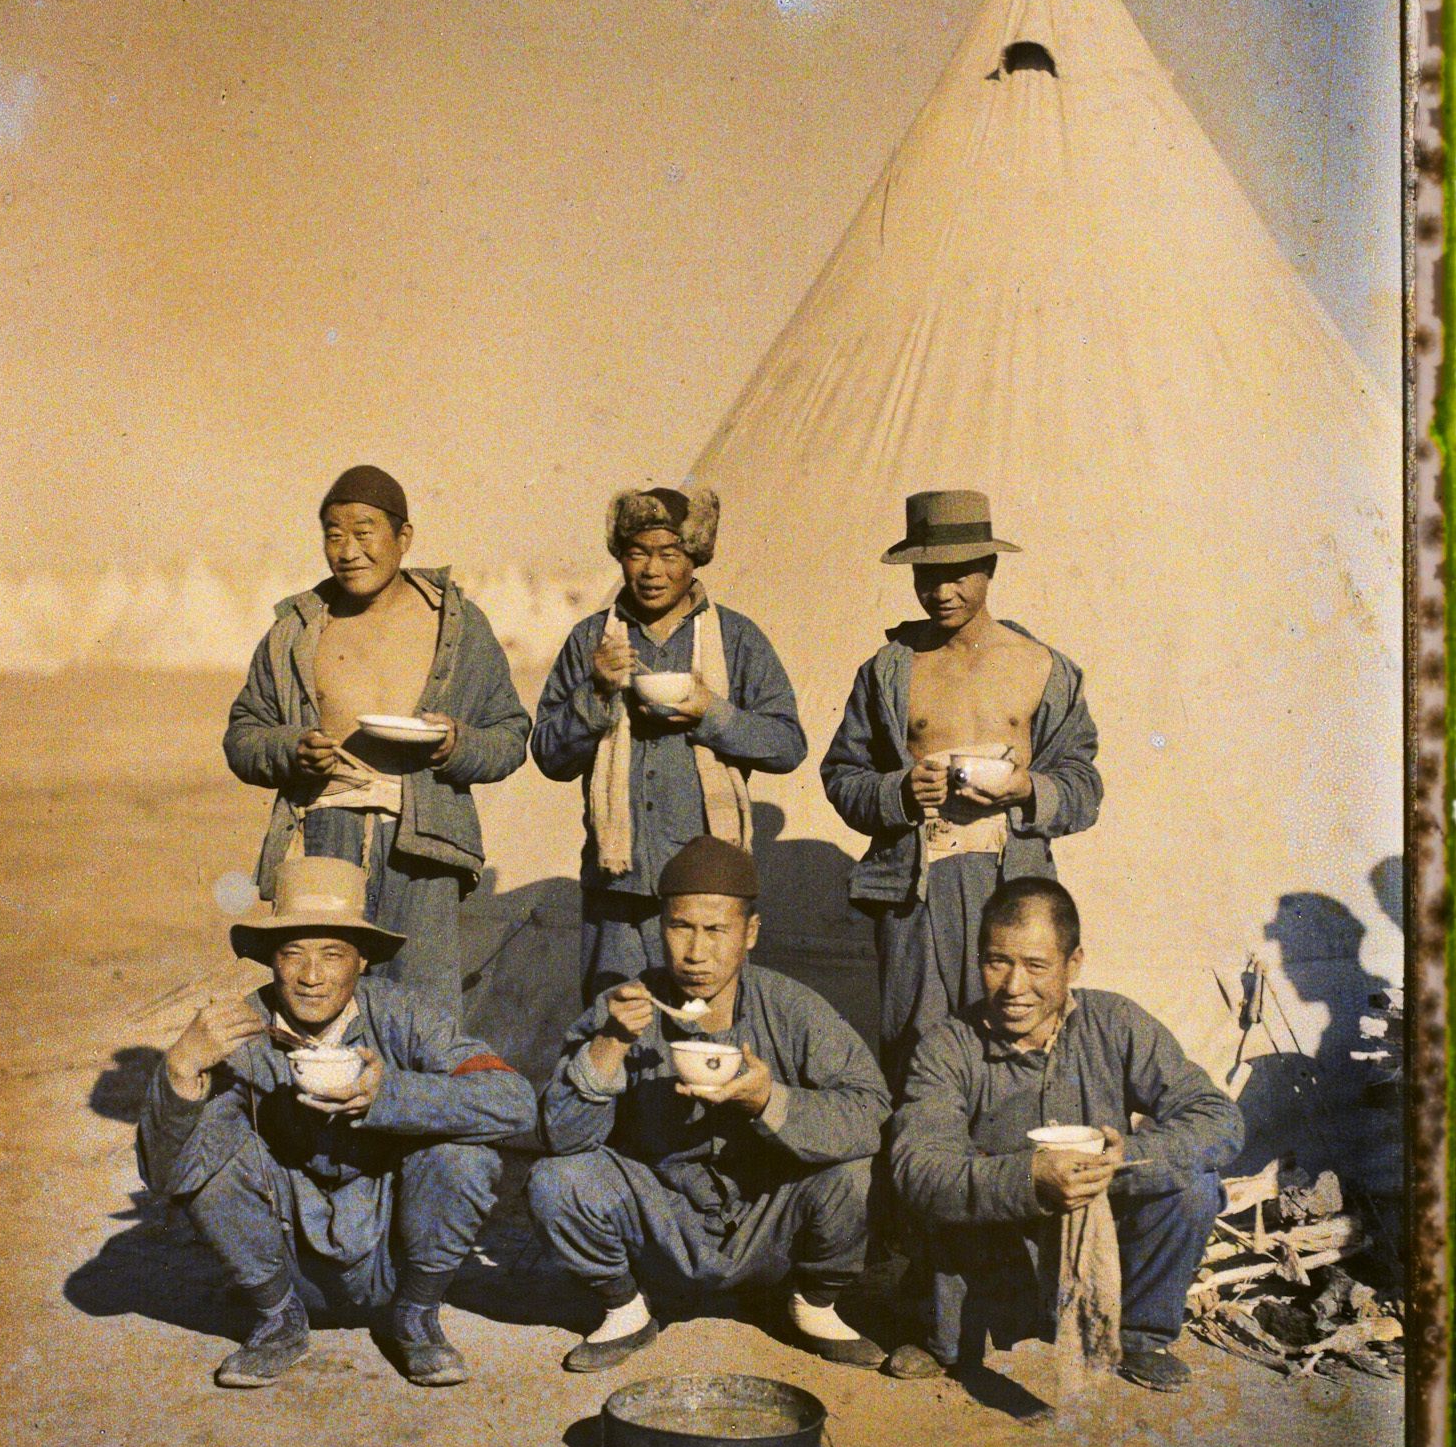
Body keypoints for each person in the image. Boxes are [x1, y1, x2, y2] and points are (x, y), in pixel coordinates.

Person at [137, 856, 538, 1388]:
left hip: (393, 1261)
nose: (310, 976)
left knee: (464, 1156)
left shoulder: (406, 1015)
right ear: (269, 961)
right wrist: (181, 1068)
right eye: (291, 953)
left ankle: (418, 1318)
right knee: (211, 1150)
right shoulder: (237, 1030)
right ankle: (278, 1323)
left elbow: (513, 1101)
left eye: (333, 954)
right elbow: (169, 1176)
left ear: (363, 960)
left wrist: (392, 1097)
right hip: (283, 1265)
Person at [527, 835, 891, 1372]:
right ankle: (625, 1309)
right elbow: (559, 1137)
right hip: (662, 1228)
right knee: (555, 1180)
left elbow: (871, 1110)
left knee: (856, 1170)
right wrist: (609, 1043)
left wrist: (769, 1099)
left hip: (766, 1224)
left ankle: (813, 1304)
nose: (696, 952)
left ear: (751, 933)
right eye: (680, 927)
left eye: (717, 930)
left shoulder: (791, 1008)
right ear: (661, 928)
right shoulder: (627, 1007)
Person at [887, 876, 1244, 1391]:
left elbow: (1218, 1117)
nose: (1013, 987)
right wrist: (1025, 1177)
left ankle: (1139, 1333)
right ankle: (940, 1334)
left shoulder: (1116, 1023)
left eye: (1036, 966)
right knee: (944, 1205)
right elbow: (918, 1166)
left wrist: (1128, 1158)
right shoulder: (948, 1046)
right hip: (996, 1241)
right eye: (996, 962)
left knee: (1194, 1187)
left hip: (1096, 1230)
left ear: (1073, 964)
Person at [821, 489, 1102, 1092]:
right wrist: (899, 791)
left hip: (1011, 883)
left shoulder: (1042, 667)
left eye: (957, 575)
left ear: (990, 569)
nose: (941, 592)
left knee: (1016, 1033)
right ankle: (922, 1178)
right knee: (916, 1046)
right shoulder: (889, 669)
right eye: (927, 575)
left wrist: (1029, 789)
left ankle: (1011, 1176)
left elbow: (1084, 785)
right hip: (916, 889)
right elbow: (842, 777)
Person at [224, 464, 530, 1014]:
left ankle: (416, 1103)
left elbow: (510, 735)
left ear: (403, 537)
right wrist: (292, 749)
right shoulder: (297, 627)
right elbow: (243, 735)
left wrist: (454, 745)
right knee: (320, 1006)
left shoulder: (455, 625)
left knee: (424, 1011)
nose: (348, 550)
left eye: (364, 532)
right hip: (321, 836)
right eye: (333, 535)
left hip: (423, 845)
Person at [531, 485, 806, 1004]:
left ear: (694, 557)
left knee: (698, 1030)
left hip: (705, 896)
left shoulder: (735, 638)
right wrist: (594, 694)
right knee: (612, 1023)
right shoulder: (591, 639)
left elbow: (787, 744)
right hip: (617, 885)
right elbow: (547, 755)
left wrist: (713, 713)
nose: (651, 571)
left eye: (668, 554)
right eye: (637, 554)